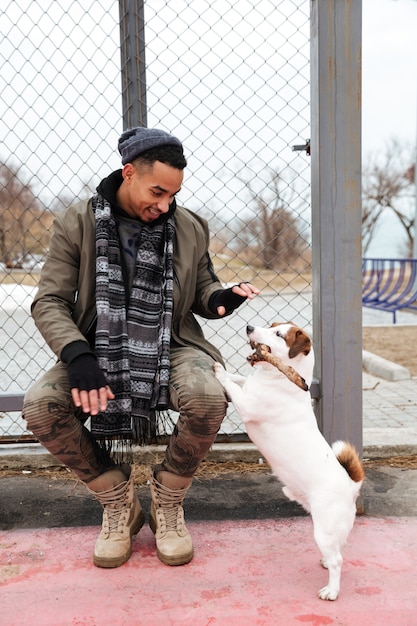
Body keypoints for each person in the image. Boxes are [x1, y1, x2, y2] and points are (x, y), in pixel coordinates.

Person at [23, 126, 259, 569]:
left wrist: (221, 300)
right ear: (129, 173)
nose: (165, 205)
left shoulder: (190, 226)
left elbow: (204, 287)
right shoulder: (78, 221)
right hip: (99, 346)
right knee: (41, 405)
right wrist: (78, 355)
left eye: (173, 195)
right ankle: (119, 502)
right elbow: (49, 301)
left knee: (208, 396)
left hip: (172, 343)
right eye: (157, 191)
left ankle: (168, 502)